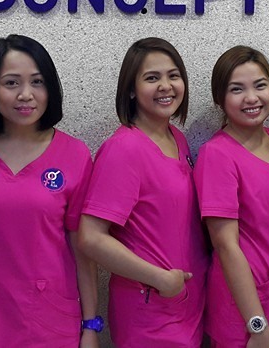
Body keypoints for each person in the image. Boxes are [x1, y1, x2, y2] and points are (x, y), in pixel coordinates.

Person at [0, 34, 99, 348]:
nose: (26, 95)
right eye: (11, 83)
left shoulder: (74, 154)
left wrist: (91, 325)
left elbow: (83, 249)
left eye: (37, 82)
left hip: (50, 319)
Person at [78, 37, 209, 348]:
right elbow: (90, 238)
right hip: (150, 312)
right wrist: (160, 279)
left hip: (186, 306)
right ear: (131, 90)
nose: (166, 86)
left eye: (173, 75)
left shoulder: (176, 138)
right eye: (152, 78)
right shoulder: (124, 148)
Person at [194, 46, 269, 348]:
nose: (251, 98)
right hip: (248, 313)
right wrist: (256, 325)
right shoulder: (217, 155)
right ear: (220, 99)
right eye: (237, 89)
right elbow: (225, 245)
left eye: (260, 85)